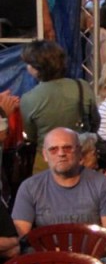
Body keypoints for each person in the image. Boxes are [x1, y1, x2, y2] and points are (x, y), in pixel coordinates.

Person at [12, 127, 106, 240]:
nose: (61, 154)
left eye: (67, 148)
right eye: (53, 149)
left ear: (79, 152)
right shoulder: (30, 188)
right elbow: (21, 237)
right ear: (45, 155)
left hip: (93, 251)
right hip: (46, 251)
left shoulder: (103, 185)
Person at [19, 40, 99, 173]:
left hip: (47, 161)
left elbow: (31, 136)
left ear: (36, 68)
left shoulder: (28, 99)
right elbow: (95, 121)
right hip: (81, 156)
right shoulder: (82, 86)